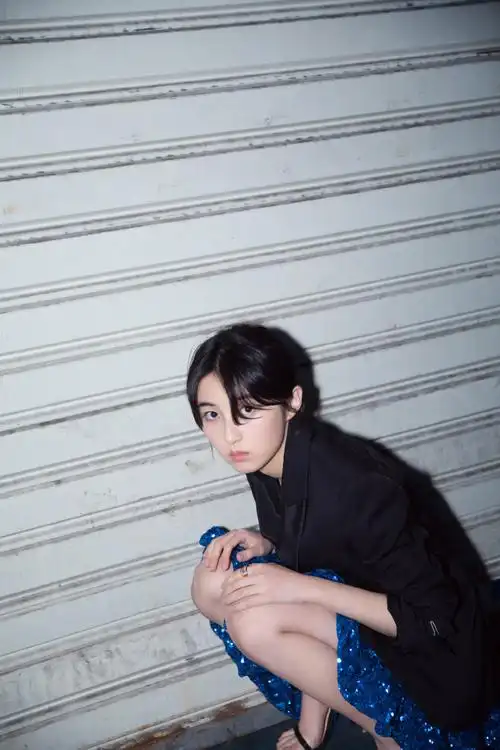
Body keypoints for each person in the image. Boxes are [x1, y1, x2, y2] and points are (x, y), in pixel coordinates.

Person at [186, 323, 500, 750]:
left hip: (441, 661)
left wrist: (297, 587)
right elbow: (320, 551)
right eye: (212, 414)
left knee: (255, 620)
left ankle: (391, 734)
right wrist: (270, 543)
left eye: (248, 409)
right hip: (367, 610)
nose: (229, 435)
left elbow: (434, 618)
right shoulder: (269, 454)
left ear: (292, 401)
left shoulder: (356, 488)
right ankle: (323, 720)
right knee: (211, 581)